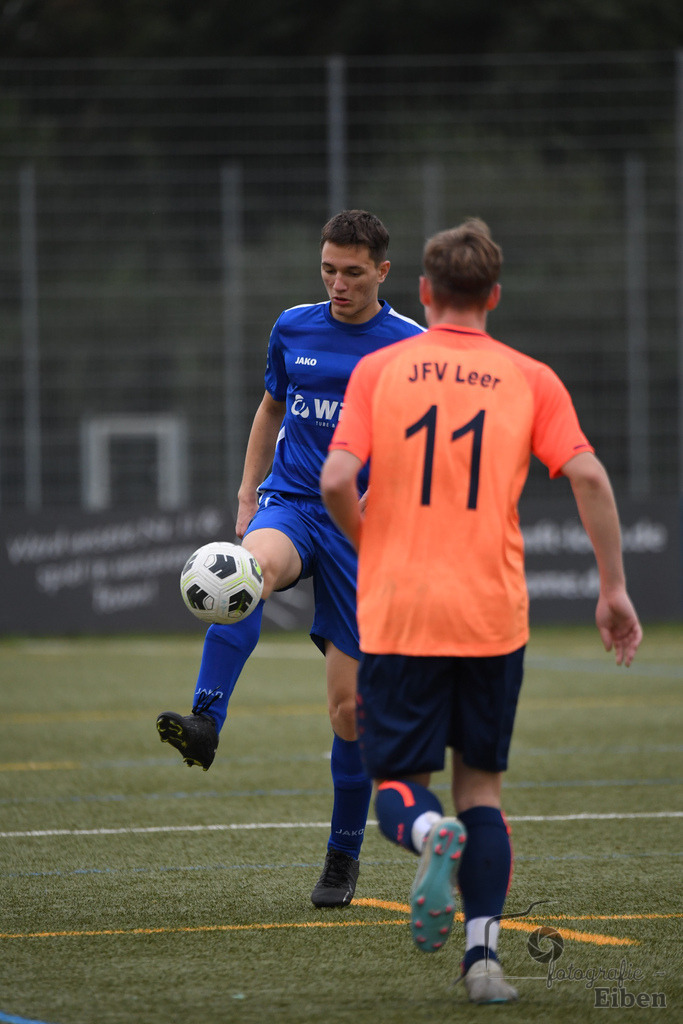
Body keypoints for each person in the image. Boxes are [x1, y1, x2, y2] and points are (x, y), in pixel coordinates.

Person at [320, 218, 642, 1001]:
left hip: (401, 610)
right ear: (493, 296)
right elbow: (590, 478)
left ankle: (428, 836)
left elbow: (334, 482)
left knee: (398, 780)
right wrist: (611, 589)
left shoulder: (381, 370)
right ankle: (484, 964)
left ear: (423, 293)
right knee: (483, 789)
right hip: (491, 613)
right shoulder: (530, 376)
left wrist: (375, 545)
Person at [157, 209, 424, 909]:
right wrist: (248, 498)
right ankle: (205, 718)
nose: (337, 283)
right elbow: (270, 409)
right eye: (328, 269)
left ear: (382, 272)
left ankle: (341, 858)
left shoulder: (410, 350)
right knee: (245, 573)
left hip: (364, 529)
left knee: (347, 713)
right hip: (295, 504)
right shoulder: (292, 326)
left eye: (352, 272)